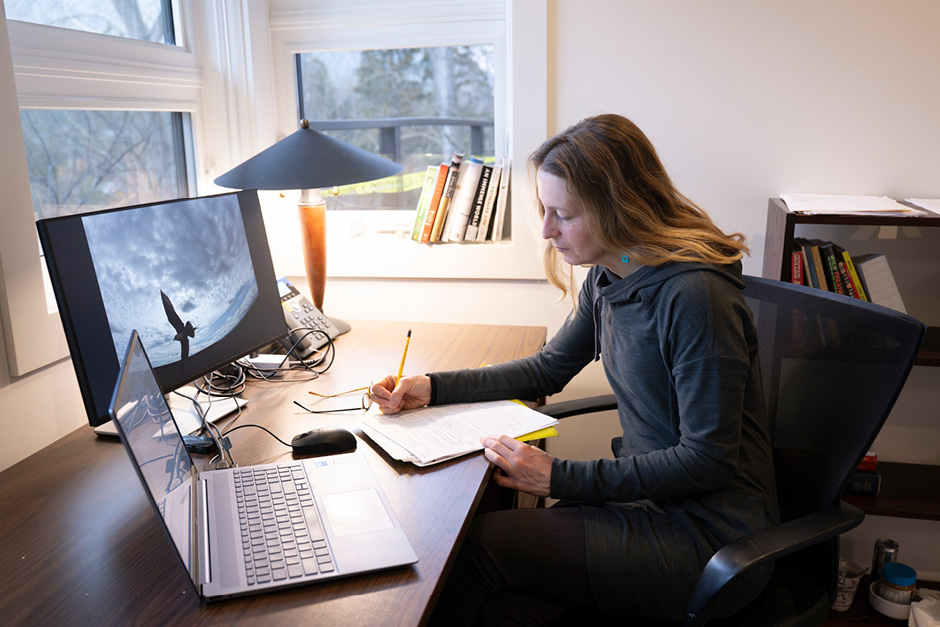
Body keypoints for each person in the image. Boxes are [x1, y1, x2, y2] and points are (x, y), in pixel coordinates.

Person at [369, 113, 779, 624]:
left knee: (478, 549)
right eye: (544, 209)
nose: (546, 230)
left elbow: (706, 462)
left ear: (618, 210)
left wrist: (560, 476)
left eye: (563, 214)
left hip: (709, 540)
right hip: (648, 504)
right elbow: (548, 369)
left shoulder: (694, 297)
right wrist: (432, 387)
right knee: (506, 592)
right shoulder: (614, 271)